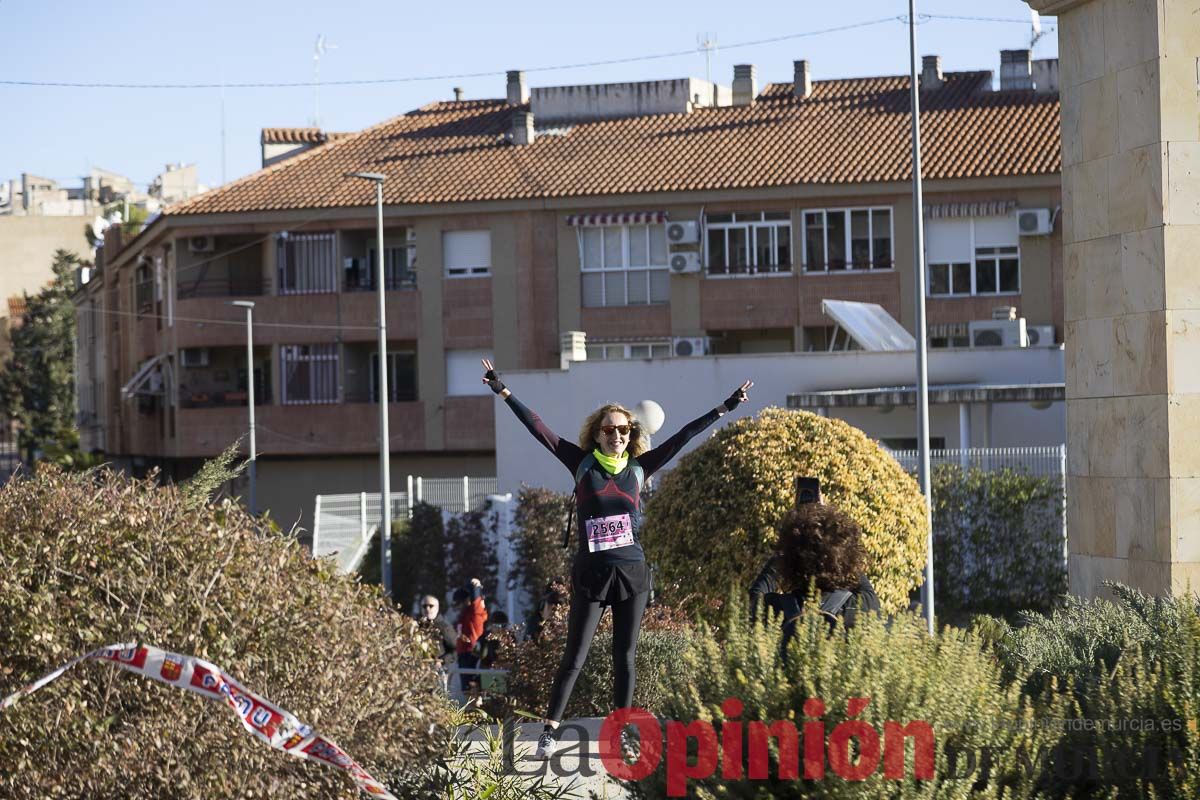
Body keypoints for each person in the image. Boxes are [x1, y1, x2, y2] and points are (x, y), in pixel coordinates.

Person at [482, 357, 753, 760]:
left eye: (623, 430)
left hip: (631, 573)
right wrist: (502, 389)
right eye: (609, 429)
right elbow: (538, 429)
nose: (616, 436)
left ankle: (622, 732)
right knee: (575, 655)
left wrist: (725, 407)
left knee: (624, 656)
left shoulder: (641, 467)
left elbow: (683, 436)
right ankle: (549, 732)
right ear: (597, 433)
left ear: (631, 433)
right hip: (591, 573)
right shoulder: (581, 463)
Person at [748, 503, 881, 660]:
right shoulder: (856, 606)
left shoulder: (776, 608)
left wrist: (784, 551)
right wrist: (842, 553)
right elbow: (867, 592)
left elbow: (755, 595)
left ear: (790, 563)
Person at [453, 578, 488, 691]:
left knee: (473, 687)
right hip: (463, 654)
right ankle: (471, 707)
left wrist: (476, 587)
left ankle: (475, 706)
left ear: (466, 601)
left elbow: (476, 602)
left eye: (458, 603)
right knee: (467, 689)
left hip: (471, 653)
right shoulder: (463, 616)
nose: (457, 606)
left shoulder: (474, 613)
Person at [416, 594, 457, 667]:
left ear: (437, 608)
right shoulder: (417, 626)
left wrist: (442, 661)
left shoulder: (444, 627)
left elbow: (455, 650)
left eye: (431, 606)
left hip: (438, 669)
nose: (427, 609)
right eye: (424, 606)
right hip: (418, 668)